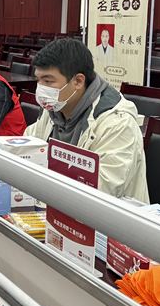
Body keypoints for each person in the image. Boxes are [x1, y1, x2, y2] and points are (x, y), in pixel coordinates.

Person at [24, 38, 149, 202]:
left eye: (48, 81)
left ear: (78, 81)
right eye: (38, 80)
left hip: (107, 213)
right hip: (56, 202)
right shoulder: (53, 108)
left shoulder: (117, 122)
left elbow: (104, 188)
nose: (41, 89)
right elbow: (28, 148)